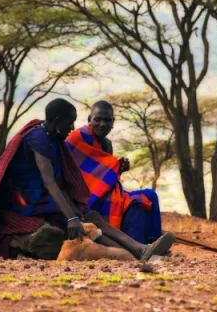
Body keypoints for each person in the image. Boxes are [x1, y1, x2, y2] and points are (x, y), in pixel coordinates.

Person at [0, 98, 174, 260]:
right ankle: (137, 253)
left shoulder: (54, 139)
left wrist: (76, 208)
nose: (72, 128)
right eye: (69, 122)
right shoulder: (38, 139)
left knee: (92, 217)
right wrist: (71, 216)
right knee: (83, 224)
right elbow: (49, 180)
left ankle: (140, 249)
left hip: (45, 198)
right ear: (56, 121)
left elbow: (62, 180)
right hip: (29, 203)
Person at [65, 100, 162, 244]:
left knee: (151, 195)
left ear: (113, 122)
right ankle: (140, 246)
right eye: (98, 119)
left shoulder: (106, 144)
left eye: (107, 120)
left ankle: (154, 242)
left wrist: (119, 168)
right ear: (89, 120)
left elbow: (104, 176)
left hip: (104, 193)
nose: (102, 124)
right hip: (85, 199)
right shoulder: (75, 139)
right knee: (136, 202)